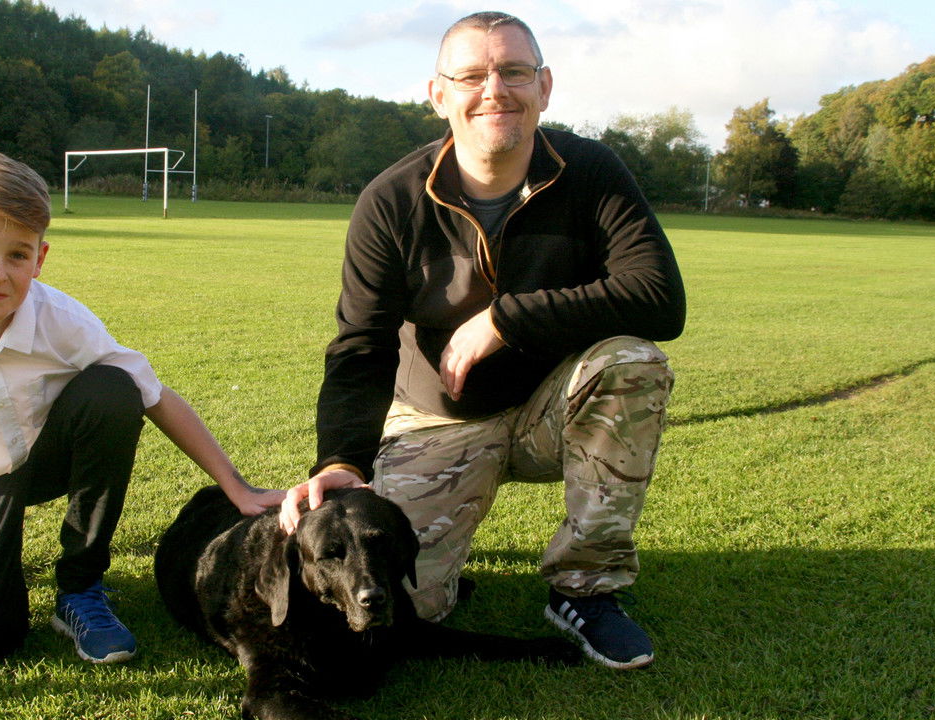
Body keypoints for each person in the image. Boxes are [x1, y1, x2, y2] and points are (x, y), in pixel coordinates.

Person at [279, 11, 685, 670]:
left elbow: (659, 298)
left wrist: (506, 318)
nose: (494, 89)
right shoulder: (391, 200)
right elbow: (361, 344)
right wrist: (341, 461)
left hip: (551, 409)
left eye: (514, 71)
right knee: (409, 605)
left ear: (544, 86)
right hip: (437, 417)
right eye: (471, 75)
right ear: (439, 95)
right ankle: (447, 557)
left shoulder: (590, 172)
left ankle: (585, 590)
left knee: (632, 362)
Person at [0, 147, 284, 709]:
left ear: (40, 258)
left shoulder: (64, 319)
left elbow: (157, 398)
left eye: (17, 255)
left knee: (115, 388)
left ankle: (80, 586)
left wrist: (237, 486)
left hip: (41, 460)